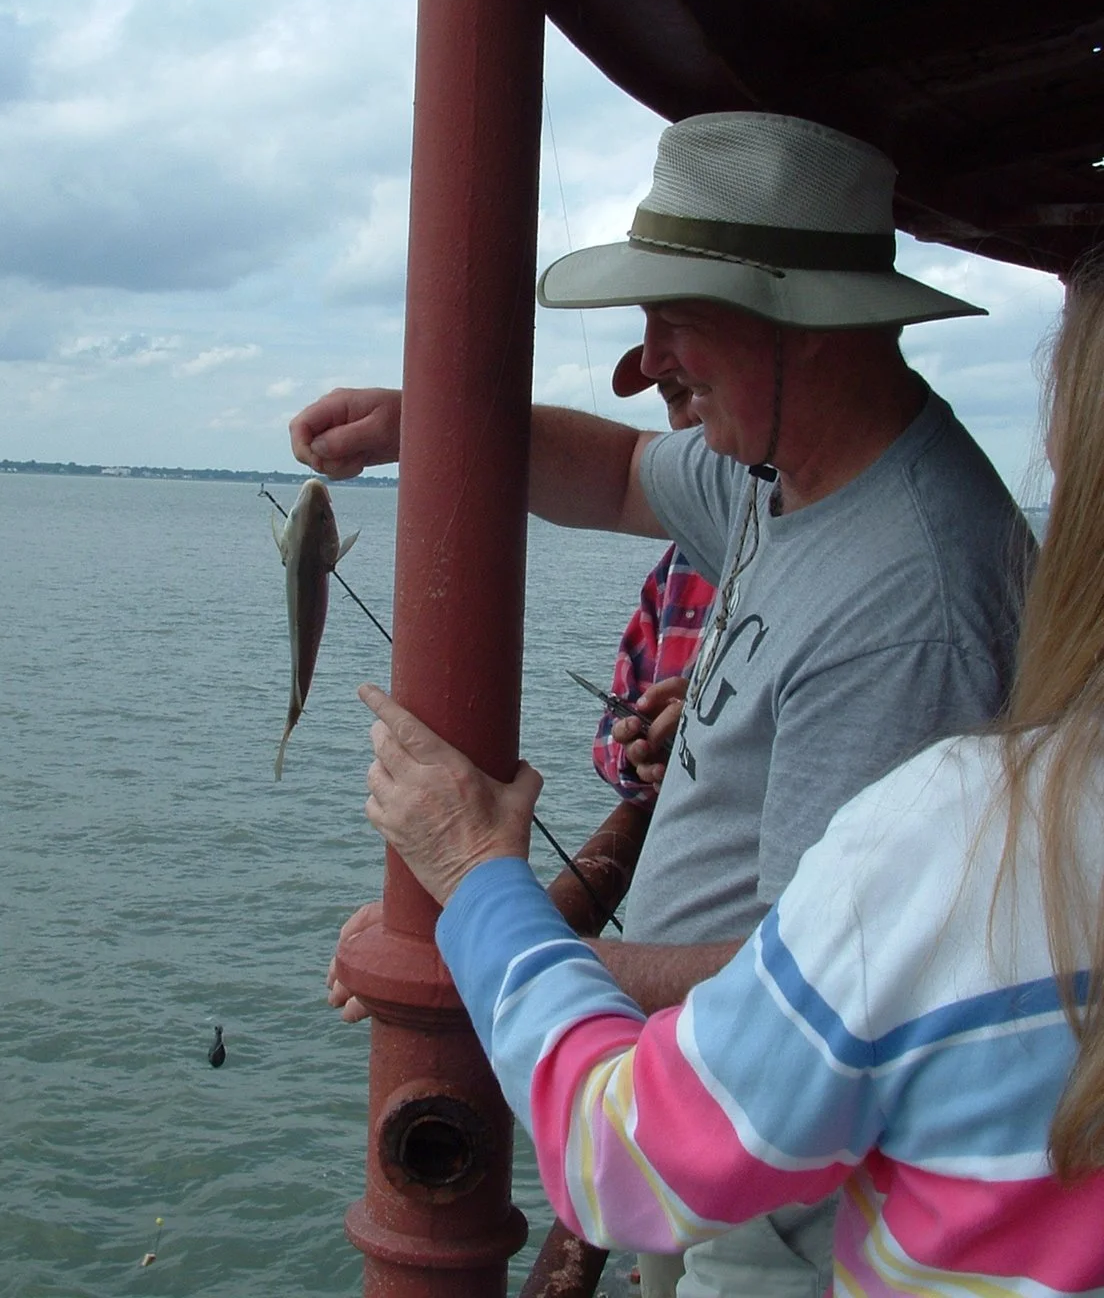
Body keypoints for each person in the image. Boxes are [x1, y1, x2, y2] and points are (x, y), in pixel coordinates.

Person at [294, 112, 1034, 1296]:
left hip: (781, 1216)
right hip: (722, 1162)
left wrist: (498, 929)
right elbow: (614, 468)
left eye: (674, 315)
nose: (645, 362)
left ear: (804, 320)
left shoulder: (908, 604)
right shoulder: (781, 467)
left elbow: (796, 985)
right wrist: (422, 419)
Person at [592, 347, 715, 807]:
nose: (691, 414)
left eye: (699, 387)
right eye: (675, 396)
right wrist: (642, 753)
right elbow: (608, 740)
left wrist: (717, 734)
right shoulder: (680, 567)